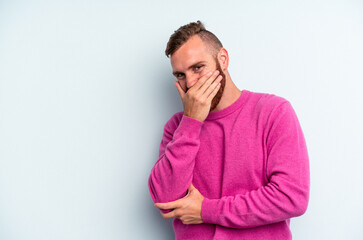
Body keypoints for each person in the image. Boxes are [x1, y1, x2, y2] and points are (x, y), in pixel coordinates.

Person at [148, 20, 310, 240]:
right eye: (180, 75)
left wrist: (206, 211)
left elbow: (291, 197)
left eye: (198, 68)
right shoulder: (177, 127)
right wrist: (192, 122)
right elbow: (166, 202)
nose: (191, 83)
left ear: (222, 59)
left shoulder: (274, 112)